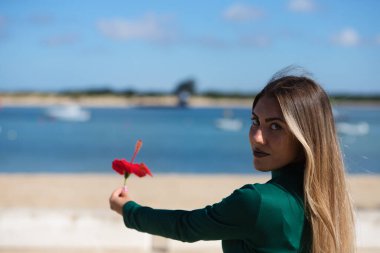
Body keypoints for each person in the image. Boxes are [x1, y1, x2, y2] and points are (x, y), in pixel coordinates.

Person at [110, 67, 355, 253]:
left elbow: (185, 226)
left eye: (276, 126)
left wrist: (128, 210)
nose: (257, 137)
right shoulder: (329, 197)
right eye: (255, 122)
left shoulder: (257, 201)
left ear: (305, 135)